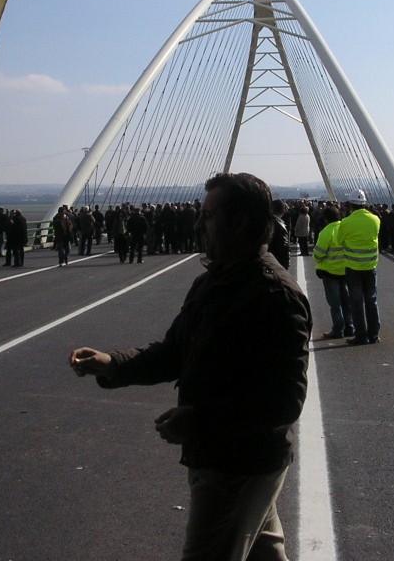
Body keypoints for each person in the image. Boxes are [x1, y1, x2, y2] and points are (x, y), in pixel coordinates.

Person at [69, 172, 311, 561]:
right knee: (264, 553)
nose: (198, 224)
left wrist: (198, 421)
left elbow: (284, 402)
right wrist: (112, 364)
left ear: (239, 223)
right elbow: (173, 351)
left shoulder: (273, 296)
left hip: (239, 466)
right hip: (226, 458)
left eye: (208, 215)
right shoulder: (212, 283)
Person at [337, 189, 382, 345]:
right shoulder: (375, 220)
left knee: (356, 302)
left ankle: (360, 335)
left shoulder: (346, 222)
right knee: (372, 301)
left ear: (350, 205)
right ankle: (374, 334)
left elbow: (339, 241)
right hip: (370, 266)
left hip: (353, 267)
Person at [312, 204, 354, 339]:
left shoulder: (327, 232)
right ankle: (350, 326)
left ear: (325, 219)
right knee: (346, 301)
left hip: (330, 272)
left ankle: (337, 329)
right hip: (346, 270)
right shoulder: (347, 229)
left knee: (335, 303)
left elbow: (318, 255)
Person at [267, 198, 290, 270]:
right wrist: (286, 264)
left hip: (266, 260)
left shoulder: (266, 222)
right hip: (277, 262)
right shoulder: (280, 225)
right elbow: (284, 247)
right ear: (283, 210)